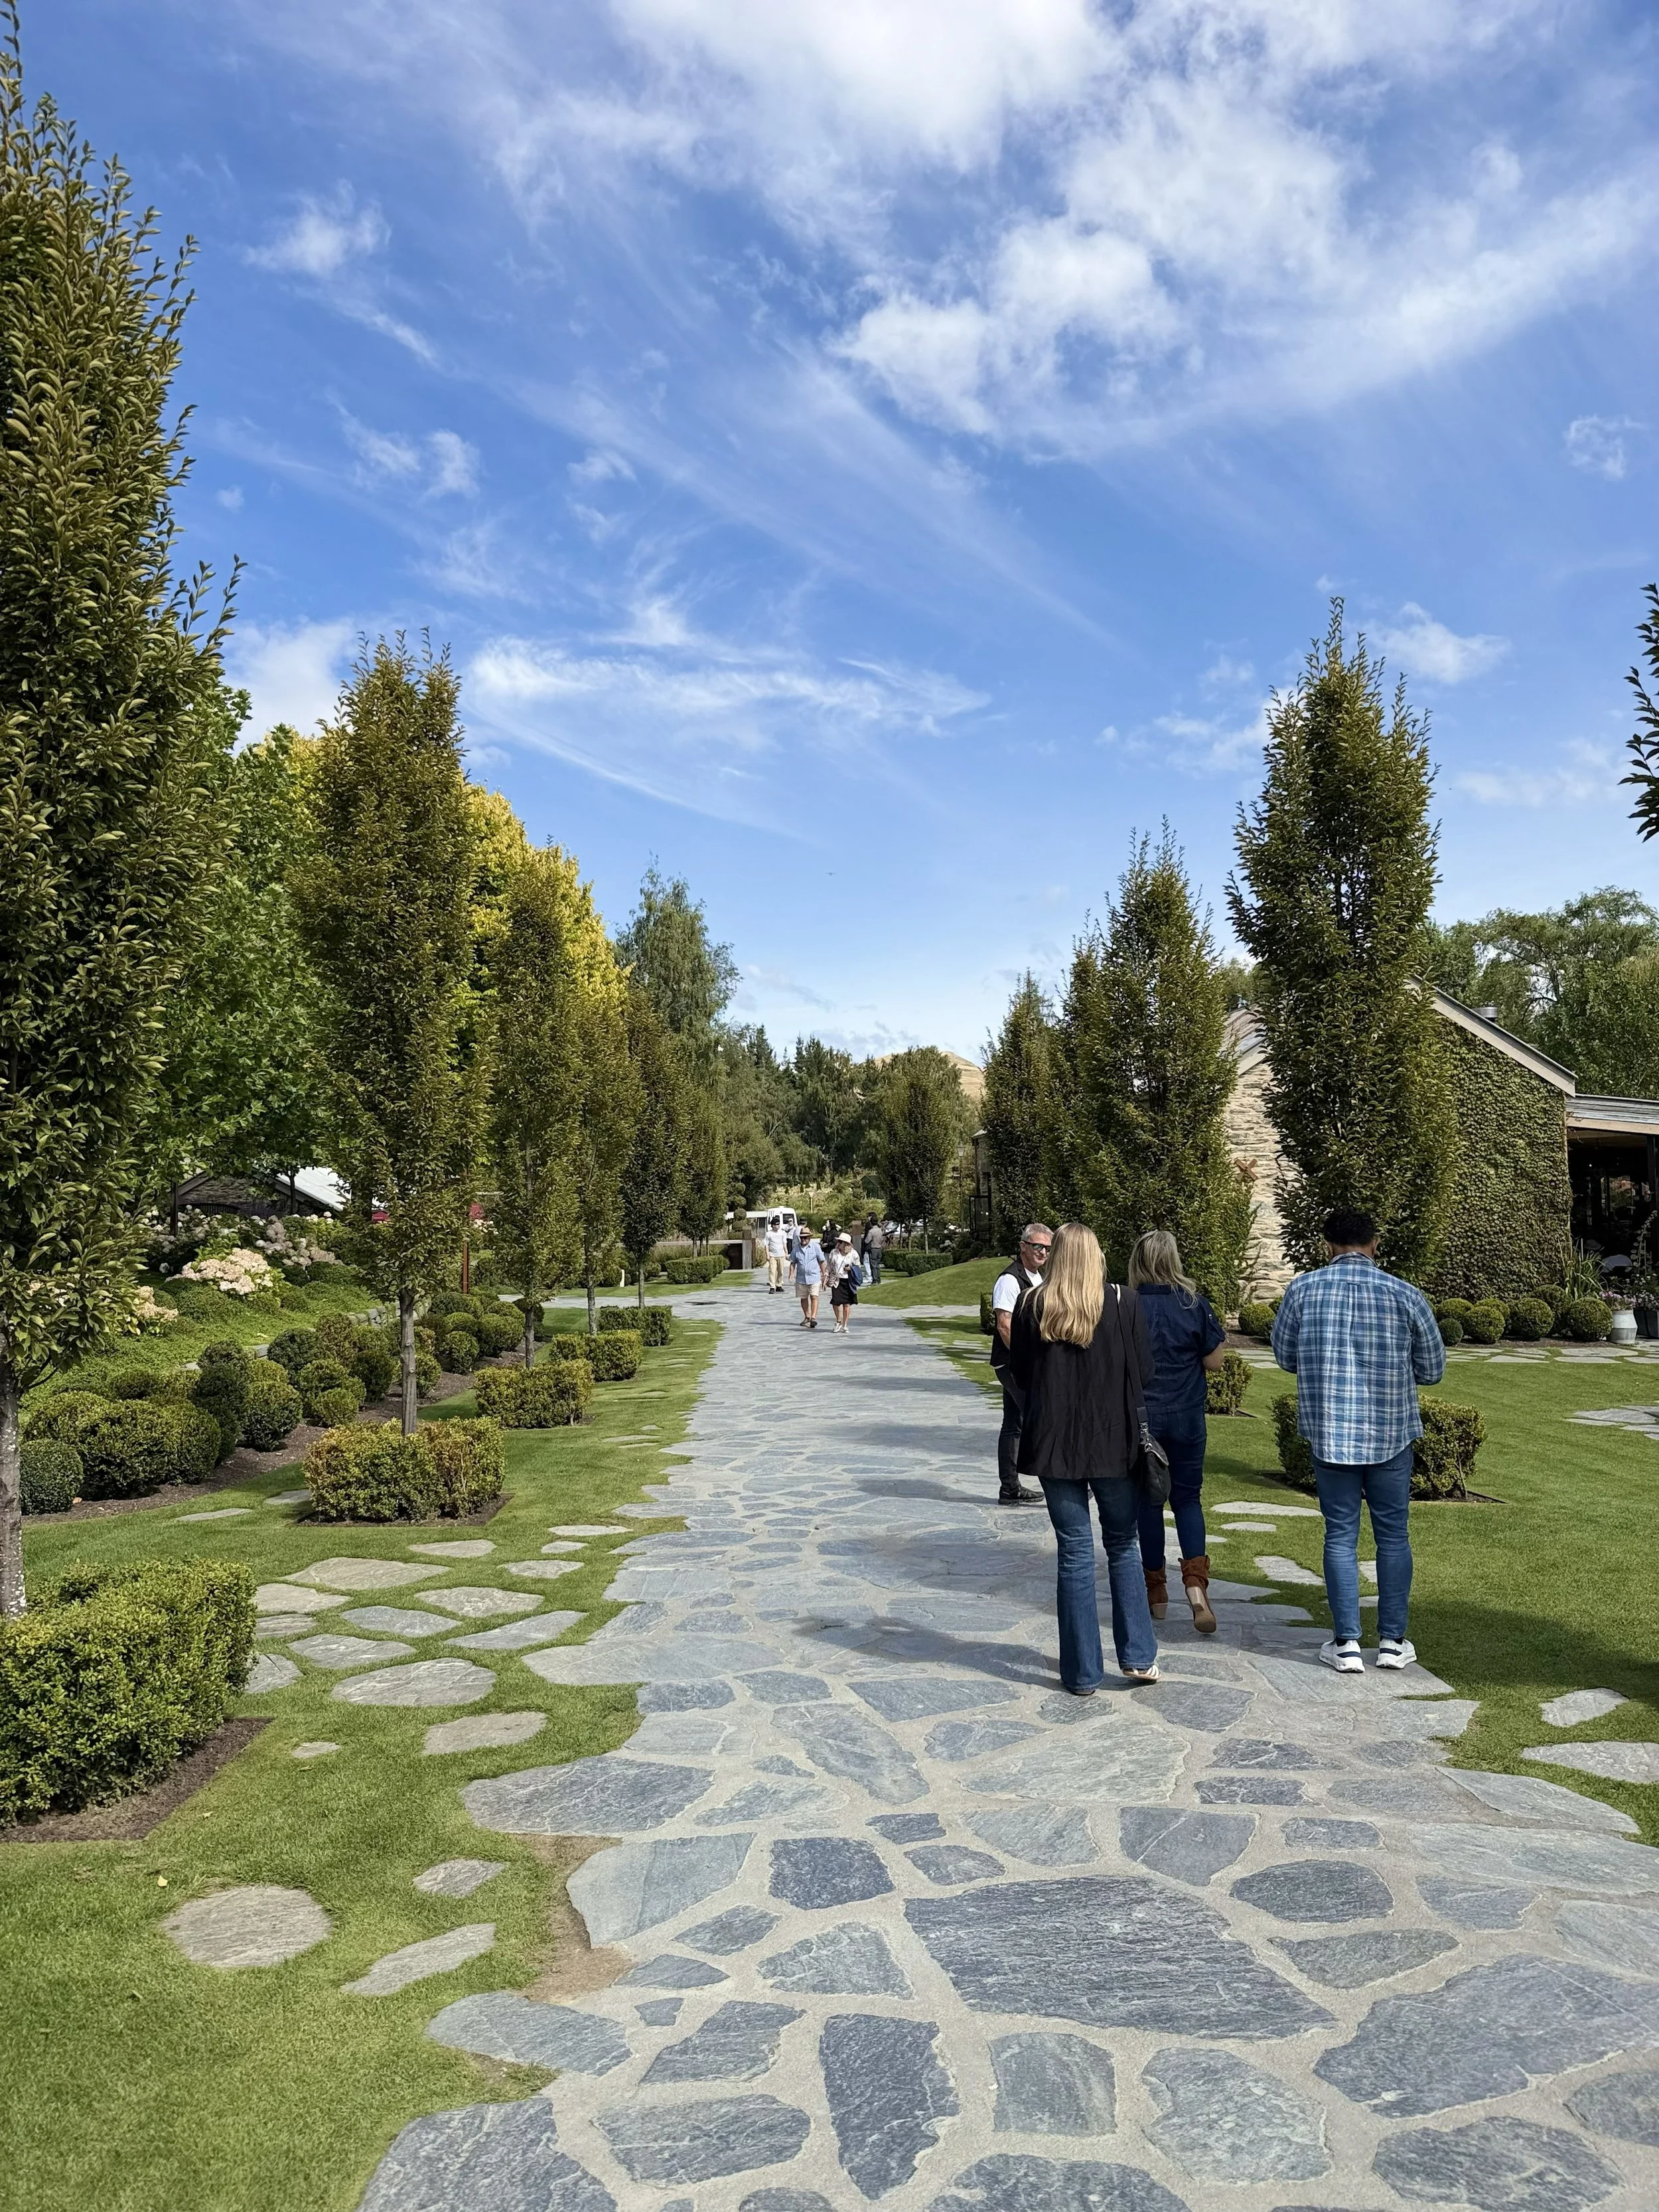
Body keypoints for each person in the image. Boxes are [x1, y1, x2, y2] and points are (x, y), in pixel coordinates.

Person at [1270, 1206, 1445, 1674]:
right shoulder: (1404, 1294)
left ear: (1328, 1245)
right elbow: (1433, 1369)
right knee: (1393, 1535)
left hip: (1330, 1432)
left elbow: (1285, 1356)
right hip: (1390, 1433)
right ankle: (1393, 1641)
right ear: (1375, 1242)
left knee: (1340, 1535)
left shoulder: (1303, 1289)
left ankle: (1346, 1642)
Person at [1009, 1220, 1160, 1691]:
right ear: (1096, 1255)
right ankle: (1137, 1655)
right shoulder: (1121, 1302)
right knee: (1122, 1543)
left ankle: (1081, 1671)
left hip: (1055, 1443)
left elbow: (1019, 1373)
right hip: (1113, 1441)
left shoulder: (1033, 1304)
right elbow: (1145, 1371)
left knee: (1075, 1551)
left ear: (1055, 1256)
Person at [1128, 1230, 1227, 1635]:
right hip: (1187, 1416)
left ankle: (1156, 1592)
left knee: (1148, 1503)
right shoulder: (1194, 1304)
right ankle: (1196, 1586)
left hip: (1144, 1420)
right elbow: (1216, 1361)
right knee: (1188, 1499)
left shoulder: (1126, 1305)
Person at [989, 1224, 1051, 1503]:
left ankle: (1010, 1488)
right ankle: (1061, 1482)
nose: (1043, 1252)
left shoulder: (1039, 1278)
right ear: (1023, 1246)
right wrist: (1026, 1360)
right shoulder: (1010, 1280)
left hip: (1029, 1363)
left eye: (1048, 1248)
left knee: (1014, 1424)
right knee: (1040, 1420)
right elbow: (1004, 1326)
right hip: (1014, 1364)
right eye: (1038, 1246)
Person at [790, 1222, 824, 1329]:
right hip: (801, 1278)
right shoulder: (796, 1249)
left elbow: (822, 1261)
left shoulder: (816, 1247)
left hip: (814, 1277)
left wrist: (824, 1273)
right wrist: (791, 1274)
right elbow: (793, 1262)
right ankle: (807, 1316)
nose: (804, 1239)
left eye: (806, 1238)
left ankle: (813, 1318)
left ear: (810, 1238)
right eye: (802, 1238)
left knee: (814, 1297)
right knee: (803, 1298)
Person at [827, 1230, 861, 1333]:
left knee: (847, 1304)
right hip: (837, 1281)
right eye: (839, 1242)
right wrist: (825, 1275)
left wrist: (851, 1269)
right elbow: (830, 1266)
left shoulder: (853, 1254)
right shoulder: (834, 1253)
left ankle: (845, 1324)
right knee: (836, 1302)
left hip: (848, 1281)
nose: (839, 1244)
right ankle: (839, 1320)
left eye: (841, 1242)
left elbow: (858, 1266)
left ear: (846, 1244)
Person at [764, 1215, 788, 1293]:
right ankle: (772, 1286)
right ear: (773, 1225)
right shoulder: (769, 1234)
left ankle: (779, 1285)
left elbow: (784, 1243)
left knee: (781, 1271)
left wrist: (786, 1252)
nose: (778, 1226)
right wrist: (767, 1255)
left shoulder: (782, 1233)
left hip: (781, 1254)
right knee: (772, 1271)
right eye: (776, 1224)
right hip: (772, 1256)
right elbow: (766, 1245)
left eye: (779, 1224)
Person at [861, 1215, 885, 1284]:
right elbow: (882, 1239)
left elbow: (867, 1241)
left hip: (873, 1248)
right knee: (877, 1265)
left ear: (871, 1223)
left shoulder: (871, 1231)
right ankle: (878, 1278)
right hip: (879, 1249)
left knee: (873, 1265)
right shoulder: (880, 1231)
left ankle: (875, 1280)